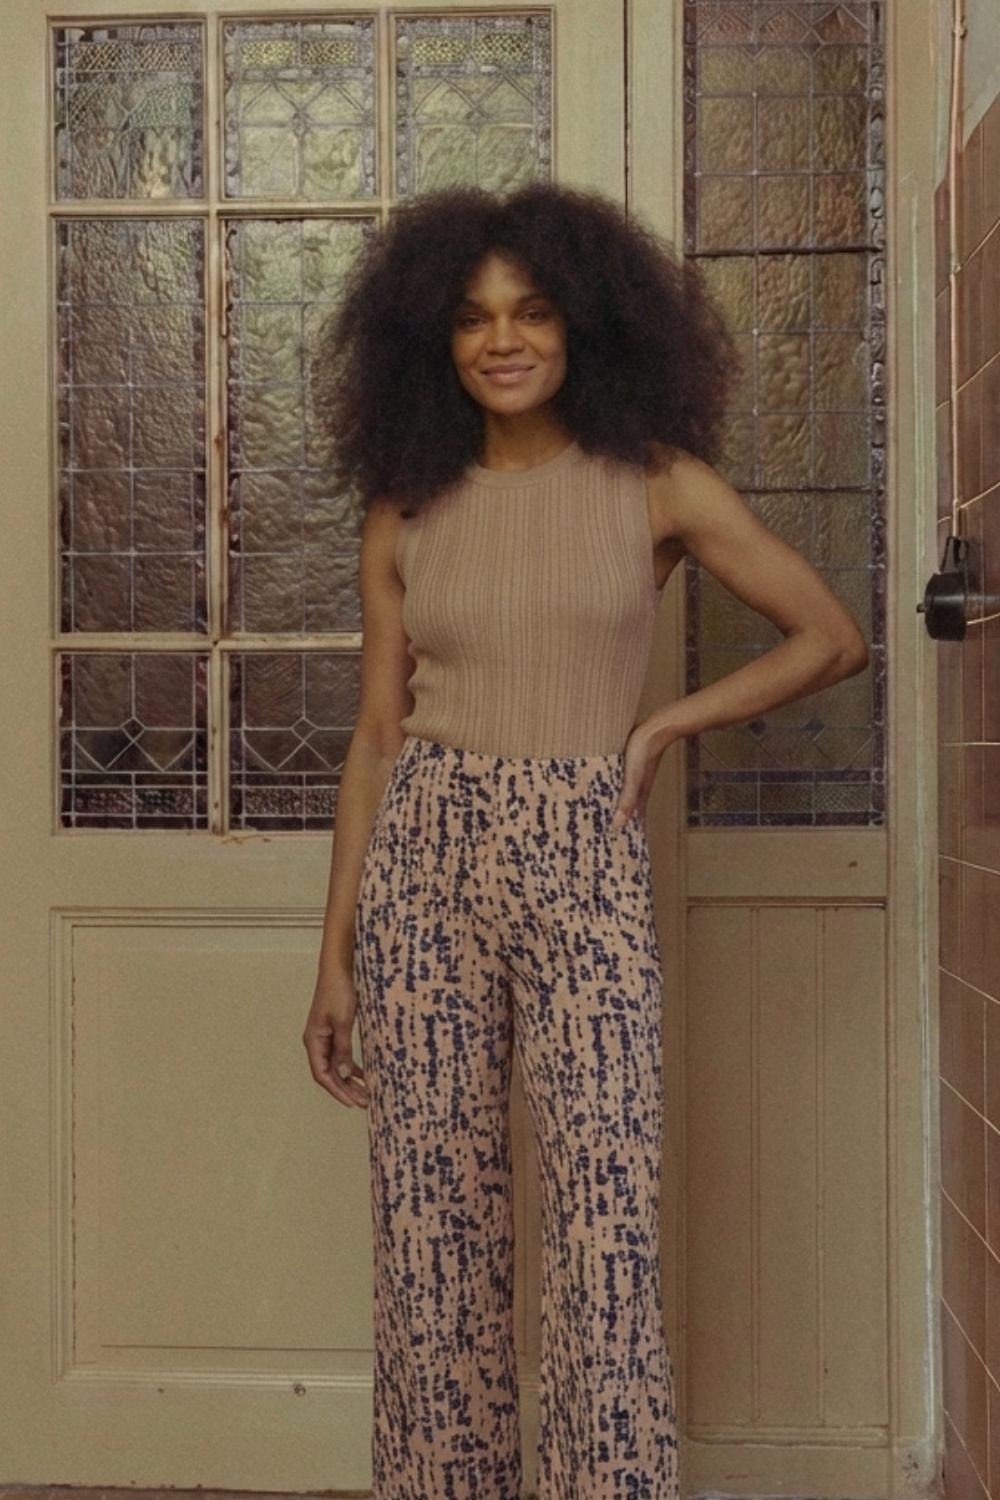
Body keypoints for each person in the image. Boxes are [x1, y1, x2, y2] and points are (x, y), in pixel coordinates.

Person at [302, 182, 868, 1500]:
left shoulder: (656, 484)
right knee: (431, 1224)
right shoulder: (404, 506)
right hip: (424, 859)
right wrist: (335, 957)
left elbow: (829, 636)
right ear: (434, 340)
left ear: (586, 325)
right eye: (474, 318)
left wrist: (665, 724)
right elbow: (377, 738)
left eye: (534, 312)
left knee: (605, 1216)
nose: (504, 340)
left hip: (583, 853)